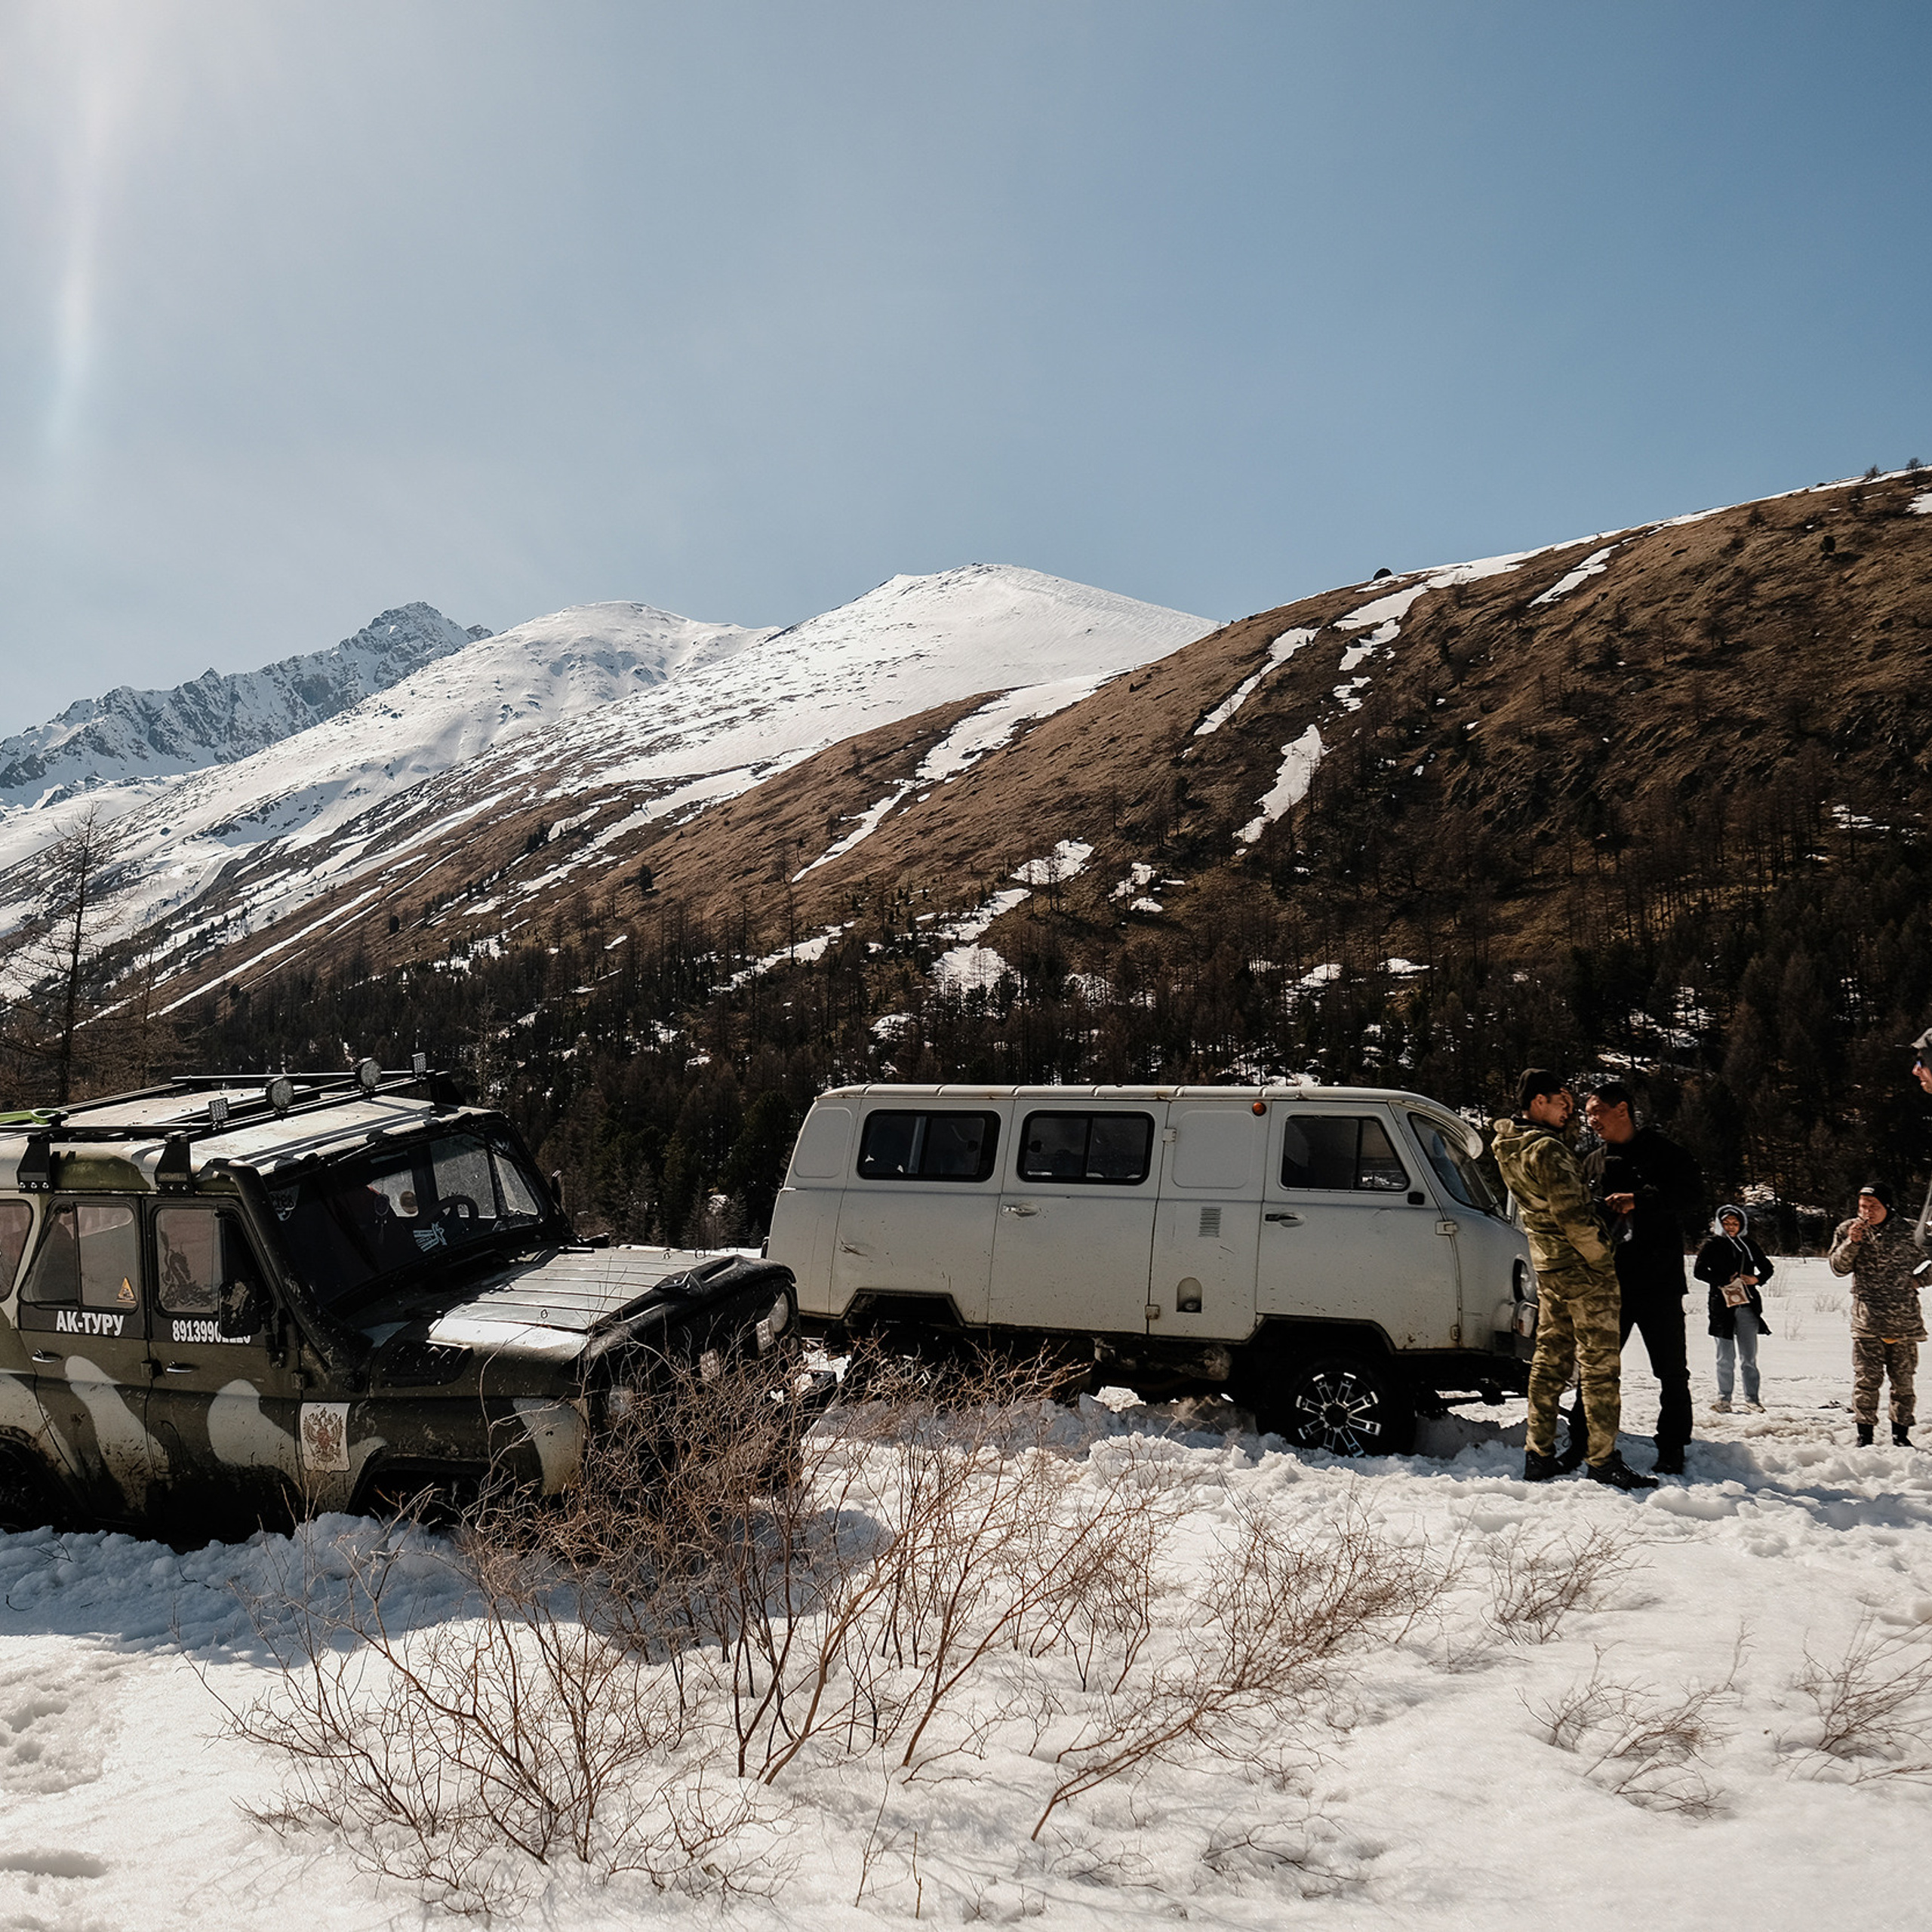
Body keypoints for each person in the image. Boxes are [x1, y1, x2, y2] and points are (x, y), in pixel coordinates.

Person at [1491, 1069, 1657, 1491]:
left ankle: (1538, 1453)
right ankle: (1602, 1460)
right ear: (1538, 1102)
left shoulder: (1507, 1146)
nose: (1569, 1111)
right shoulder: (1548, 1150)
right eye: (1562, 1103)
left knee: (1549, 1361)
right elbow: (1575, 1220)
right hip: (1583, 1270)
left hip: (1548, 1266)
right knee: (1600, 1368)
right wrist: (1604, 1256)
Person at [1556, 1083, 1703, 1475]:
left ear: (1623, 1109)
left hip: (1659, 1282)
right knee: (1596, 1368)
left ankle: (1672, 1446)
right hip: (1606, 1285)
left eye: (1597, 1112)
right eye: (1588, 1114)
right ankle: (1581, 1440)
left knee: (1671, 1370)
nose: (1591, 1120)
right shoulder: (1590, 1163)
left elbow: (1692, 1197)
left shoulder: (1667, 1154)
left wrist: (1642, 1200)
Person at [1827, 1182, 1923, 1448]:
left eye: (1874, 1207)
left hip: (1903, 1320)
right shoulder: (1848, 1229)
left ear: (1887, 1206)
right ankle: (1864, 1435)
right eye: (1863, 1207)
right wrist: (1852, 1242)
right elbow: (1838, 1267)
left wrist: (1920, 1279)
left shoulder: (1910, 1230)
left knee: (1903, 1382)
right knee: (1866, 1380)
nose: (1867, 1212)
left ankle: (1901, 1435)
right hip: (1867, 1320)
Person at [1693, 1205, 1774, 1412]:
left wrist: (1755, 1279)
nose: (1731, 1227)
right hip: (1721, 1307)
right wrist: (1722, 1280)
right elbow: (1699, 1271)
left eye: (1735, 1223)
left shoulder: (1748, 1245)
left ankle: (1752, 1399)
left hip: (1747, 1305)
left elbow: (1767, 1268)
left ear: (1742, 1225)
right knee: (1724, 1357)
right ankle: (1724, 1399)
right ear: (1720, 1224)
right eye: (1727, 1223)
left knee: (1749, 1357)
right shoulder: (1712, 1245)